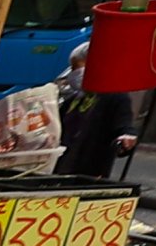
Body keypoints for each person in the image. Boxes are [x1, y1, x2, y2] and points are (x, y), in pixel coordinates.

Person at [54, 43, 138, 181]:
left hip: (90, 170)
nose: (73, 73)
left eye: (77, 67)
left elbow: (124, 125)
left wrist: (127, 137)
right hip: (61, 165)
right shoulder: (73, 100)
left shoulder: (115, 97)